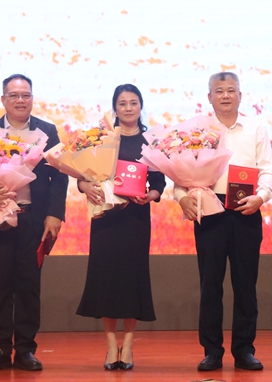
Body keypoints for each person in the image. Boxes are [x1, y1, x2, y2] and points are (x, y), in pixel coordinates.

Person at [175, 72, 272, 372]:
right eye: (219, 91)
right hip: (210, 210)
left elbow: (267, 169)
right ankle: (212, 351)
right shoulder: (197, 132)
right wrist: (181, 197)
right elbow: (179, 172)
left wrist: (262, 197)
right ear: (209, 97)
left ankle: (244, 350)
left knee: (246, 285)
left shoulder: (256, 128)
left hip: (246, 209)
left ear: (240, 95)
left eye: (231, 90)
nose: (225, 96)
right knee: (210, 285)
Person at [0, 74, 68, 372]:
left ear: (32, 98)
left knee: (28, 285)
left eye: (26, 95)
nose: (20, 100)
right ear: (3, 100)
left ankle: (25, 349)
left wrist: (55, 214)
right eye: (14, 95)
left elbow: (60, 176)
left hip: (33, 219)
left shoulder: (46, 131)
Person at [76, 84, 166, 371]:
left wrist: (150, 195)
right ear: (114, 108)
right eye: (123, 103)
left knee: (132, 279)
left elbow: (159, 182)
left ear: (141, 106)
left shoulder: (150, 141)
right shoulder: (102, 138)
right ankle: (110, 343)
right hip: (106, 218)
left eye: (133, 103)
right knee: (106, 278)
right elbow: (81, 176)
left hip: (135, 219)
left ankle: (127, 344)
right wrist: (85, 186)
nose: (128, 108)